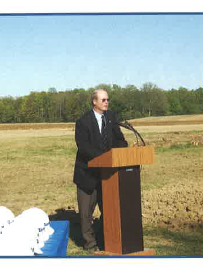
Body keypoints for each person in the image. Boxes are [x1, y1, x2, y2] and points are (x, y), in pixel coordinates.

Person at [73, 88, 128, 252]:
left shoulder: (111, 118)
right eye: (103, 100)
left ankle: (104, 239)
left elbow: (120, 140)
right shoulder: (83, 122)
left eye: (107, 100)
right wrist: (103, 158)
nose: (106, 102)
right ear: (94, 102)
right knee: (85, 214)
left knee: (110, 209)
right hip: (88, 174)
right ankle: (90, 244)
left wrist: (121, 151)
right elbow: (84, 147)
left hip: (108, 175)